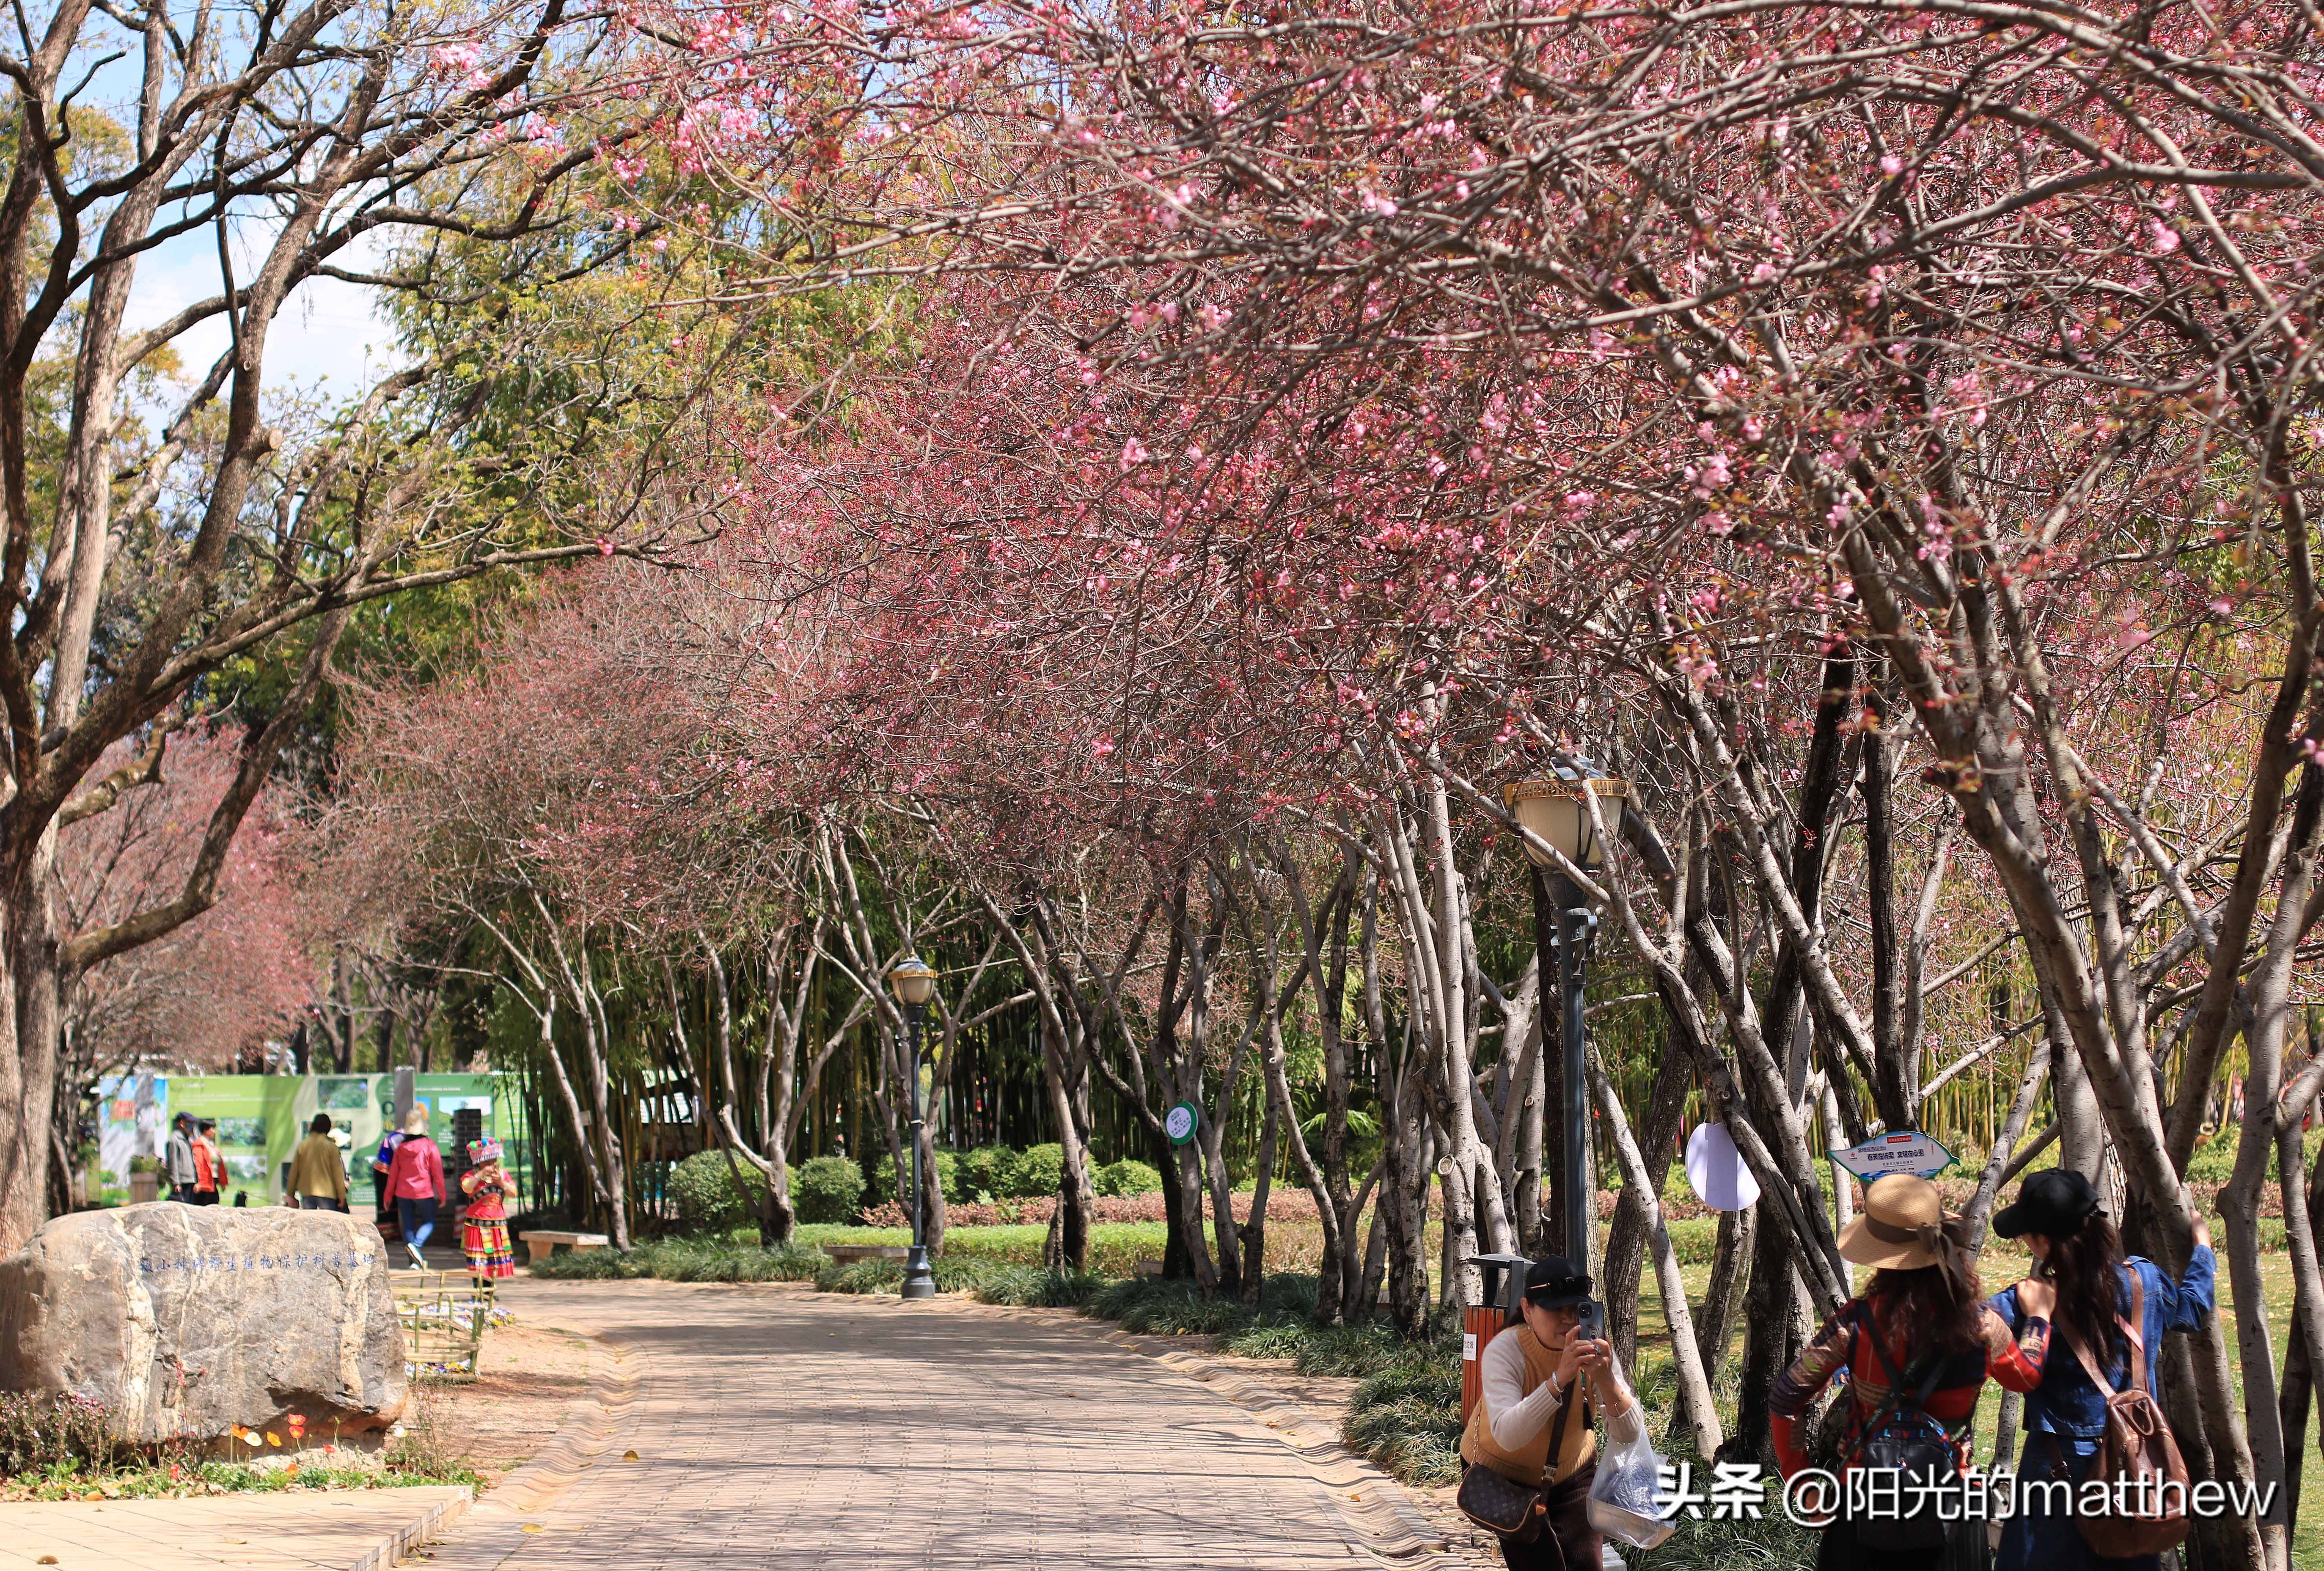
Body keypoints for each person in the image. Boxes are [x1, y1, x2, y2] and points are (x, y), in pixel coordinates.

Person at [1771, 1174, 2051, 1571]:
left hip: (1862, 1504)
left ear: (1880, 1257)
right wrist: (2039, 1320)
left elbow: (1785, 1400)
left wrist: (1804, 1487)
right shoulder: (1984, 1326)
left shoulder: (1855, 1324)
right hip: (1954, 1508)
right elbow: (2026, 1377)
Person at [1986, 1168, 2216, 1571]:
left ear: (2043, 1242)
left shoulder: (2031, 1298)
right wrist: (2203, 1249)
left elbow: (1967, 1326)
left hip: (2055, 1468)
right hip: (2137, 1466)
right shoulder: (2145, 1280)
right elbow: (2194, 1307)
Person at [1459, 1254, 1643, 1571]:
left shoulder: (1595, 1350)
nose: (1567, 1320)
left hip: (1573, 1471)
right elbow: (1508, 1436)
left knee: (1587, 1566)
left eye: (1575, 1310)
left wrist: (1606, 1380)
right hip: (1505, 1475)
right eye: (1555, 1310)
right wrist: (1559, 1380)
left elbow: (1630, 1434)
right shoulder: (1506, 1350)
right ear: (1528, 1310)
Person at [385, 1108, 446, 1270]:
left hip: (403, 1193)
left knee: (408, 1226)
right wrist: (442, 1194)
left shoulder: (400, 1150)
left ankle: (414, 1262)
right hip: (423, 1192)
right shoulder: (430, 1146)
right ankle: (416, 1246)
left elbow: (393, 1175)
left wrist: (388, 1196)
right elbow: (437, 1173)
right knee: (430, 1222)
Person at [459, 1138, 517, 1285]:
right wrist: (481, 1174)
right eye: (487, 1162)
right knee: (478, 1259)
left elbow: (514, 1193)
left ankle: (490, 1291)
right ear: (479, 1162)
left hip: (497, 1225)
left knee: (494, 1261)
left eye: (493, 1161)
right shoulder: (471, 1176)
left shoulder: (503, 1175)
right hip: (477, 1225)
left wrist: (501, 1183)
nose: (491, 1165)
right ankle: (478, 1291)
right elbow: (467, 1188)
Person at [289, 1113, 350, 1211]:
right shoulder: (331, 1147)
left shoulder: (303, 1146)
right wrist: (342, 1196)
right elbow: (338, 1174)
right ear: (328, 1128)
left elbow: (294, 1172)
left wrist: (290, 1194)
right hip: (327, 1194)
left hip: (307, 1193)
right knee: (328, 1223)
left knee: (310, 1224)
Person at [165, 1111, 198, 1203]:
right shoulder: (174, 1140)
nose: (193, 1127)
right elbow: (173, 1163)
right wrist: (176, 1183)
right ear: (182, 1124)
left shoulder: (187, 1139)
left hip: (191, 1181)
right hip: (182, 1183)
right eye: (191, 1124)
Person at [192, 1119, 222, 1205]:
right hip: (205, 1181)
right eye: (212, 1129)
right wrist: (200, 1183)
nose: (215, 1132)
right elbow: (199, 1164)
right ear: (205, 1130)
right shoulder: (200, 1144)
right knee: (206, 1203)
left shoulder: (211, 1144)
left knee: (215, 1202)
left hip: (213, 1179)